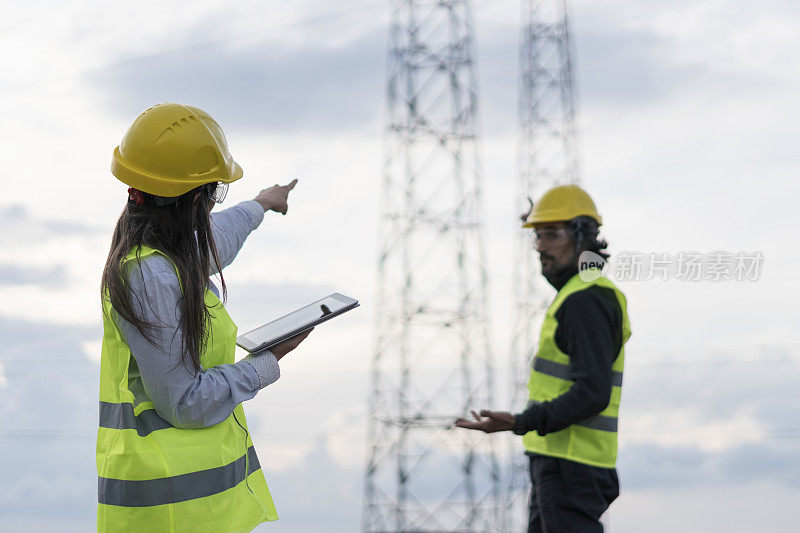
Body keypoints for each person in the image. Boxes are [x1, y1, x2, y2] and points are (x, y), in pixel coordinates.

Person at [97, 103, 311, 532]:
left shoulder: (166, 258)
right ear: (194, 198)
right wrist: (268, 362)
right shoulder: (148, 277)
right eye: (213, 193)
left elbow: (214, 241)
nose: (214, 204)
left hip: (192, 509)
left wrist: (261, 205)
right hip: (172, 512)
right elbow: (184, 402)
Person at [455, 185, 631, 533]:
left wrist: (520, 421)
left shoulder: (585, 299)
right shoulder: (580, 292)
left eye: (551, 235)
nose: (539, 247)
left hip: (571, 464)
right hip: (565, 463)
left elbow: (593, 393)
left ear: (582, 236)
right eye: (537, 236)